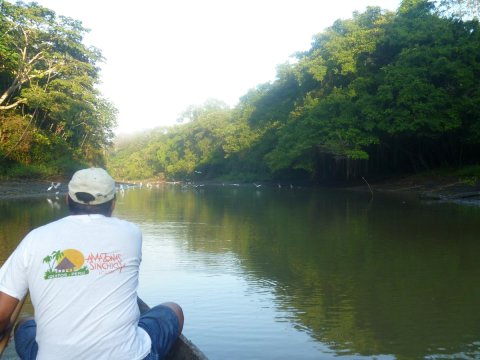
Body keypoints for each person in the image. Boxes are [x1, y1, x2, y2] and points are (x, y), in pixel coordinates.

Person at [0, 167, 184, 360]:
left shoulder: (34, 239)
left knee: (25, 324)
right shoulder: (131, 233)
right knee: (173, 310)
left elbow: (2, 314)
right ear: (113, 204)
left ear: (67, 200)